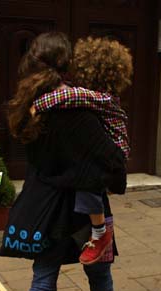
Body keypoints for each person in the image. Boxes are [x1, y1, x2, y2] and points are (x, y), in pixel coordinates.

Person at [7, 32, 134, 291]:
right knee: (99, 271)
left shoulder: (29, 102)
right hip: (80, 210)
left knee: (43, 282)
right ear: (67, 64)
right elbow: (107, 161)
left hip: (44, 207)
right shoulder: (75, 109)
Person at [32, 36, 133, 264]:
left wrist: (36, 105)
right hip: (108, 152)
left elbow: (66, 95)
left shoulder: (99, 98)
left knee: (88, 185)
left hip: (114, 151)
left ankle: (99, 233)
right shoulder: (100, 97)